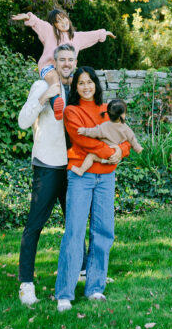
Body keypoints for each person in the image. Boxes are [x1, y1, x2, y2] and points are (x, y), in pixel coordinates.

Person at [54, 67, 130, 312]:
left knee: (104, 231)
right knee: (74, 233)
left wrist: (122, 151)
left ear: (96, 84)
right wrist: (111, 152)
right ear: (75, 88)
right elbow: (83, 140)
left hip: (106, 178)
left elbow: (125, 136)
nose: (86, 87)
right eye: (81, 83)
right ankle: (64, 293)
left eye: (90, 82)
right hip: (81, 176)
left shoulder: (108, 110)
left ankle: (95, 288)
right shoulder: (72, 111)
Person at [17, 42, 77, 306]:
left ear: (75, 62)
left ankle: (82, 271)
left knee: (74, 223)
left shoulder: (77, 88)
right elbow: (23, 120)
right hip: (47, 165)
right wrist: (44, 96)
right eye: (62, 59)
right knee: (35, 225)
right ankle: (26, 284)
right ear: (55, 62)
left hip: (74, 166)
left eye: (70, 60)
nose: (67, 64)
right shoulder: (42, 87)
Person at [11, 8, 115, 84]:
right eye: (58, 21)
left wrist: (104, 33)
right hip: (49, 68)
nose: (63, 22)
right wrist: (28, 17)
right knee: (55, 79)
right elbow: (38, 23)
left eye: (63, 18)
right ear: (54, 25)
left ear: (68, 18)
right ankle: (56, 104)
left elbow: (91, 35)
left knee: (77, 82)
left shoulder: (76, 37)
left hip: (66, 71)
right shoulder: (50, 32)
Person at [72, 98, 143, 176]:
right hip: (116, 154)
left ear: (108, 114)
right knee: (100, 157)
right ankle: (106, 161)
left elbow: (94, 132)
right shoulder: (126, 128)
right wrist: (138, 148)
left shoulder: (104, 126)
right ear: (123, 115)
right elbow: (132, 139)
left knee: (91, 156)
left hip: (105, 152)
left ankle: (81, 170)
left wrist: (84, 131)